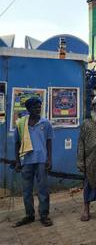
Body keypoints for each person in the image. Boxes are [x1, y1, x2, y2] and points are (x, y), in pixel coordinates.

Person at [13, 97, 53, 227]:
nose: (38, 109)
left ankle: (44, 215)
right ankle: (29, 215)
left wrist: (49, 159)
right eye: (35, 107)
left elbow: (49, 141)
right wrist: (17, 161)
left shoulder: (45, 123)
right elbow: (17, 143)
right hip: (26, 161)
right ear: (28, 109)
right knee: (26, 190)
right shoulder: (21, 123)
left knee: (43, 189)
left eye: (39, 107)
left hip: (41, 160)